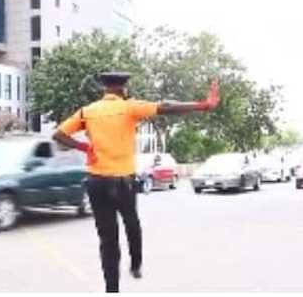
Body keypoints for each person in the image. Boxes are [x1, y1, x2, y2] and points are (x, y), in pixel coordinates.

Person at [52, 71, 220, 292]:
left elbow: (59, 135)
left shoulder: (87, 111)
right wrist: (204, 105)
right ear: (124, 89)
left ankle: (112, 290)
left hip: (97, 182)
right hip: (123, 182)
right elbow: (166, 107)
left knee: (107, 238)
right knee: (132, 224)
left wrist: (86, 147)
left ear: (104, 89)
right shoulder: (130, 107)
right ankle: (136, 264)